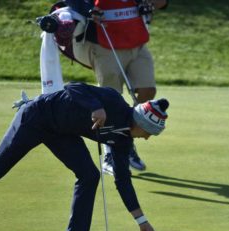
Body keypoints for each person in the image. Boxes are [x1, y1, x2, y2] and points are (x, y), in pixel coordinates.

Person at [0, 82, 169, 231]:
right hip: (37, 116)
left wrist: (141, 221)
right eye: (149, 132)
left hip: (62, 132)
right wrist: (96, 107)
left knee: (89, 175)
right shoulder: (113, 100)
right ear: (141, 123)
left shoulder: (123, 141)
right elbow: (73, 87)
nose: (148, 137)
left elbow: (123, 181)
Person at [64, 0, 169, 175]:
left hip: (136, 41)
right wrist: (87, 8)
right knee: (110, 97)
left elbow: (162, 2)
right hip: (104, 43)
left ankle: (127, 141)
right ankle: (110, 153)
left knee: (147, 90)